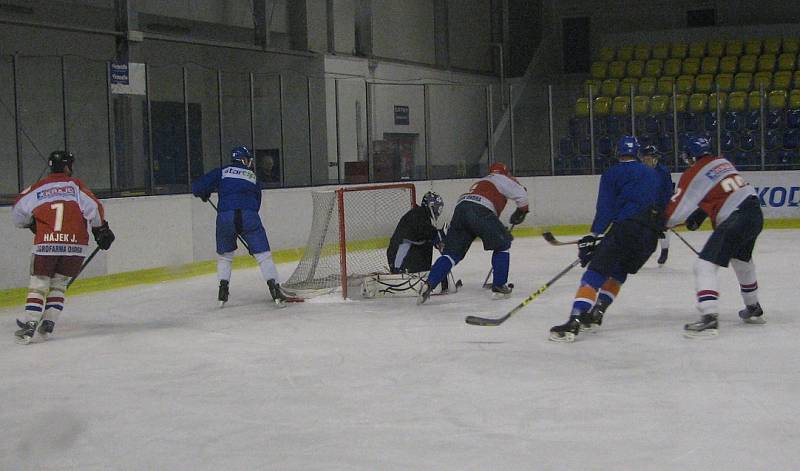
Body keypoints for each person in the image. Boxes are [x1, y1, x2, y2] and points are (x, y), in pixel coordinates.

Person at [549, 136, 662, 342]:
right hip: (650, 235)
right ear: (637, 153)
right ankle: (597, 313)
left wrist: (594, 237)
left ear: (617, 153)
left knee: (595, 272)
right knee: (618, 271)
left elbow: (606, 209)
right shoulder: (653, 174)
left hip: (626, 228)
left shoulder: (612, 173)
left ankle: (574, 321)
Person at [665, 136, 764, 338]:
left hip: (735, 218)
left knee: (704, 266)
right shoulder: (722, 162)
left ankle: (709, 318)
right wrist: (699, 215)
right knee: (742, 261)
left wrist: (661, 222)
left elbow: (675, 213)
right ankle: (753, 307)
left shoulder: (694, 171)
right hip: (753, 213)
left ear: (690, 156)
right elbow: (718, 191)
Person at [11, 150, 115, 344]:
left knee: (39, 282)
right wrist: (100, 229)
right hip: (75, 245)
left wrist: (31, 222)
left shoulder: (37, 188)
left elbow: (18, 210)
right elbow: (94, 208)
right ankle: (49, 322)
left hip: (46, 243)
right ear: (68, 167)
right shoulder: (76, 187)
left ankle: (31, 324)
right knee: (59, 284)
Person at [418, 162, 528, 304]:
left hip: (462, 207)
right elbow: (522, 195)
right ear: (505, 172)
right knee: (502, 245)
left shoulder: (483, 181)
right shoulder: (503, 178)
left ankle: (429, 283)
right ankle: (500, 286)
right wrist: (522, 211)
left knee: (451, 254)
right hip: (480, 210)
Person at [192, 145, 289, 307]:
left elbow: (197, 187)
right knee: (263, 255)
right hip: (249, 215)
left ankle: (222, 292)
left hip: (225, 216)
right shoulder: (252, 177)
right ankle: (275, 290)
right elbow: (257, 202)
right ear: (244, 160)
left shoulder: (222, 171)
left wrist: (204, 193)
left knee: (225, 256)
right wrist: (247, 226)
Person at [386, 191, 445, 275]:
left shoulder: (421, 214)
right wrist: (438, 235)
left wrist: (436, 238)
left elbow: (425, 233)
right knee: (426, 242)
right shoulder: (417, 214)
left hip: (401, 253)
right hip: (398, 256)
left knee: (427, 242)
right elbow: (424, 231)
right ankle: (400, 270)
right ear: (430, 206)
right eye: (437, 207)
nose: (438, 211)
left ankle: (423, 270)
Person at [641, 145, 674, 265]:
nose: (646, 161)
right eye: (644, 159)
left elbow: (668, 190)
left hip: (661, 205)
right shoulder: (641, 171)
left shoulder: (663, 171)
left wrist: (663, 207)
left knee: (663, 229)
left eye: (648, 158)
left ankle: (664, 250)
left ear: (655, 158)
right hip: (647, 206)